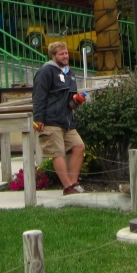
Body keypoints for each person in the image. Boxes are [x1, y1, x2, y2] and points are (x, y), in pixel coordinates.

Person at [32, 41, 86, 195]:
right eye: (61, 54)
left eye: (66, 53)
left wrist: (76, 101)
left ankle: (74, 183)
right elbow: (39, 96)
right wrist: (39, 118)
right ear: (53, 56)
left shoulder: (70, 74)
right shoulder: (45, 71)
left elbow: (69, 102)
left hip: (67, 121)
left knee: (79, 146)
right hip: (50, 120)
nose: (65, 56)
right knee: (57, 152)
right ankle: (67, 187)